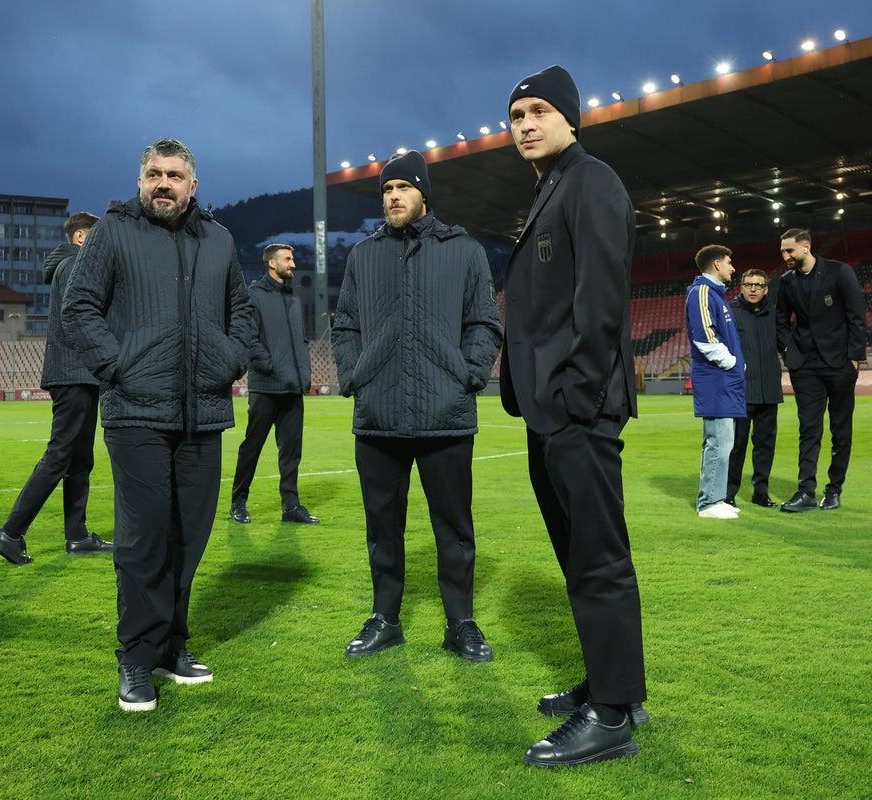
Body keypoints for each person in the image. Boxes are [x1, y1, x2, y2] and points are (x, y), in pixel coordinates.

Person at [62, 138, 254, 712]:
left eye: (174, 175)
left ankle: (171, 645)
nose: (163, 183)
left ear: (192, 185)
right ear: (139, 180)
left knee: (188, 537)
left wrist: (231, 357)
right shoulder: (112, 233)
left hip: (204, 413)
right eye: (153, 174)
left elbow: (241, 309)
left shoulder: (218, 238)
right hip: (137, 411)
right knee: (144, 540)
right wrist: (118, 365)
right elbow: (79, 309)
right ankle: (135, 660)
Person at [499, 66, 647, 768]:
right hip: (549, 408)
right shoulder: (550, 187)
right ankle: (607, 683)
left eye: (536, 111)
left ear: (570, 119)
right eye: (515, 115)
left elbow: (600, 298)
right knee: (576, 555)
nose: (524, 124)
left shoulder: (592, 180)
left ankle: (612, 717)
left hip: (574, 408)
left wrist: (574, 397)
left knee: (597, 558)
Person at [331, 150, 502, 664]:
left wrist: (468, 373)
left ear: (423, 194)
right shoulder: (363, 256)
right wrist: (354, 375)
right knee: (382, 527)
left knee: (454, 529)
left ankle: (460, 623)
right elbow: (344, 325)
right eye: (386, 190)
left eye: (402, 188)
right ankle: (385, 619)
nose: (393, 197)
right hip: (378, 416)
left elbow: (485, 322)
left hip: (444, 413)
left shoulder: (465, 251)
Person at [0, 212, 112, 564]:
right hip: (74, 372)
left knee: (79, 459)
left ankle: (77, 535)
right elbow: (81, 319)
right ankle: (10, 532)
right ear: (82, 238)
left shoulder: (68, 265)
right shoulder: (74, 267)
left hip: (78, 373)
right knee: (60, 454)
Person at [776, 229, 867, 512]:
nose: (785, 256)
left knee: (841, 430)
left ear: (806, 246)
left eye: (789, 250)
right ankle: (806, 492)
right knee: (809, 429)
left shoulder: (840, 272)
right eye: (782, 251)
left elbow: (857, 316)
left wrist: (853, 358)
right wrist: (788, 351)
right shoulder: (786, 282)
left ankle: (834, 489)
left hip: (839, 363)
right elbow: (780, 321)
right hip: (805, 366)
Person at [229, 243, 318, 526]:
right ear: (271, 263)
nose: (293, 264)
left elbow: (300, 342)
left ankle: (291, 506)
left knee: (292, 451)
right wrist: (269, 366)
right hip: (266, 386)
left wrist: (303, 374)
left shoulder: (292, 299)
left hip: (292, 387)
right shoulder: (254, 296)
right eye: (288, 259)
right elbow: (249, 338)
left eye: (293, 258)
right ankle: (239, 501)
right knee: (252, 446)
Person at [686, 245, 746, 519]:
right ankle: (709, 502)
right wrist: (732, 363)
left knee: (724, 442)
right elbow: (704, 337)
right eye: (729, 262)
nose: (733, 268)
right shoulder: (701, 292)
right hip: (716, 380)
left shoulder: (717, 295)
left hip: (724, 380)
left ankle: (716, 497)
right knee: (718, 441)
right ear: (717, 265)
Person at [726, 269, 782, 508]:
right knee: (736, 445)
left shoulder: (775, 313)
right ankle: (728, 492)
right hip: (741, 391)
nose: (753, 289)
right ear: (741, 287)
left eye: (758, 285)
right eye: (748, 284)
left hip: (769, 389)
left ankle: (761, 492)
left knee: (765, 445)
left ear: (765, 289)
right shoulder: (730, 312)